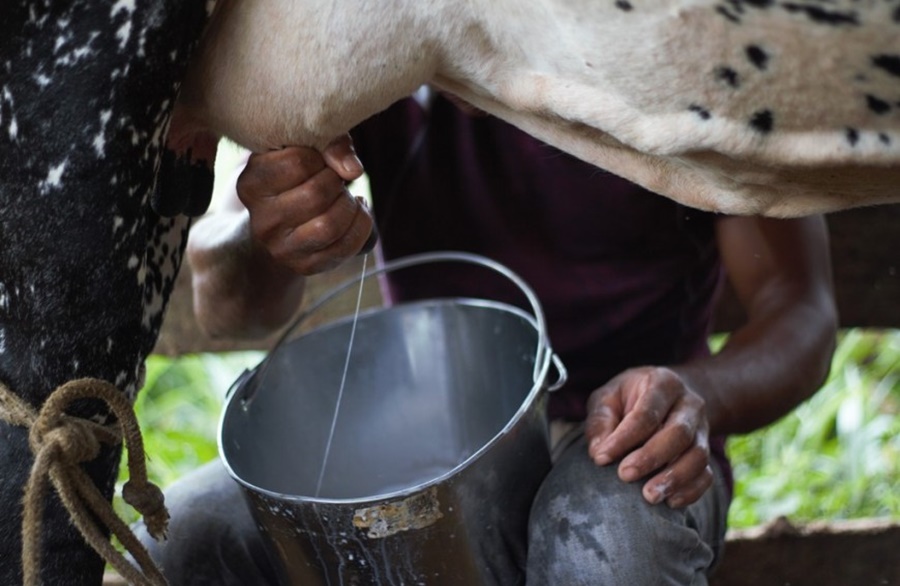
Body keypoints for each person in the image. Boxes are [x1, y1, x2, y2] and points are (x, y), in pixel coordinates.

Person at [135, 88, 838, 585]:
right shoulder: (366, 59)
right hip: (438, 426)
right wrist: (270, 233)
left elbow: (799, 310)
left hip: (625, 435)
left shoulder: (687, 68)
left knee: (604, 536)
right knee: (189, 534)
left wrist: (693, 395)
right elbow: (225, 302)